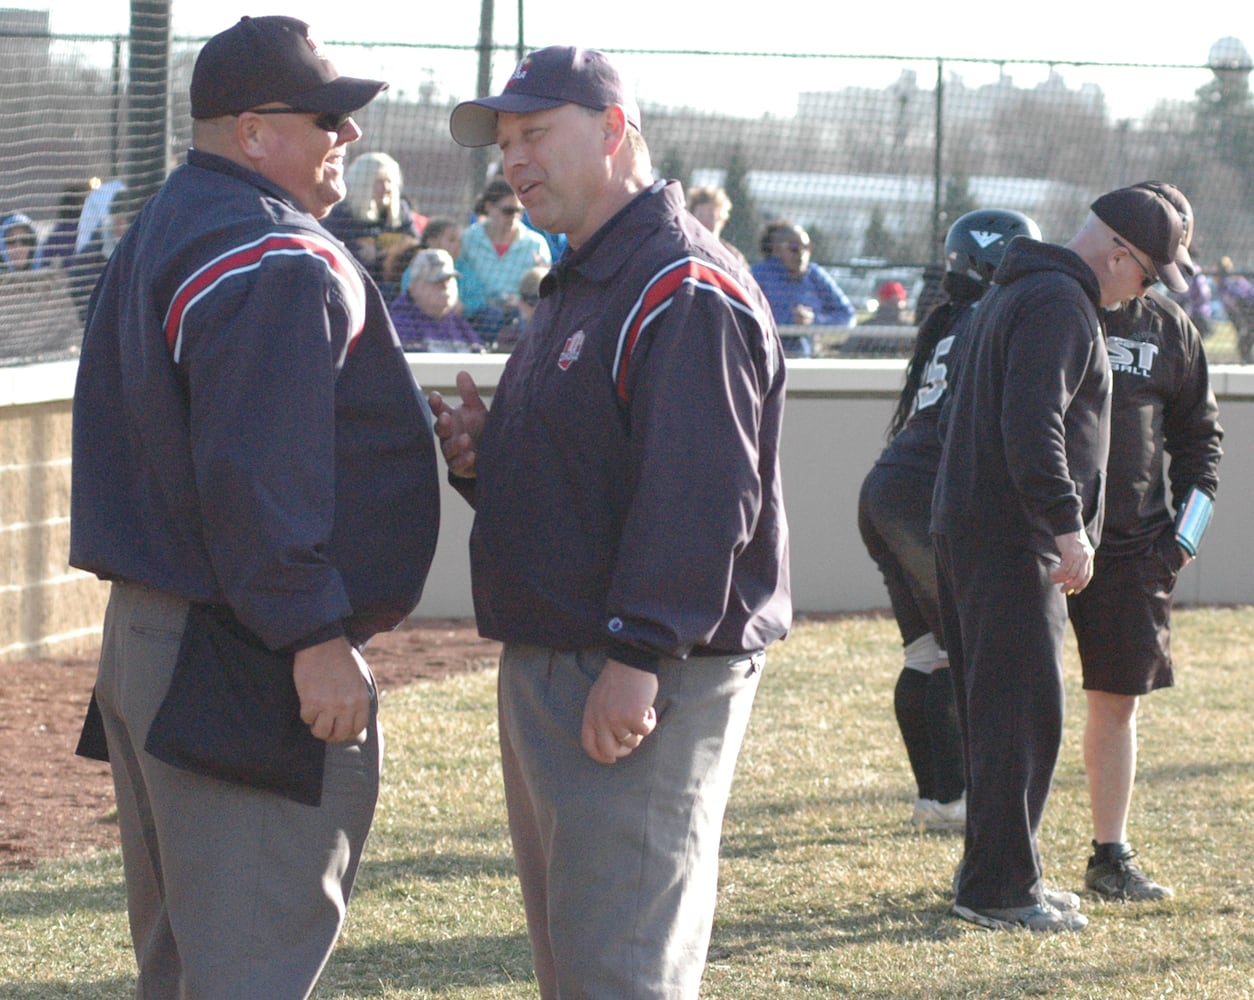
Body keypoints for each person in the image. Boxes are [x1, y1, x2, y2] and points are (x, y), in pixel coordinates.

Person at [68, 16, 441, 997]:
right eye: (330, 117)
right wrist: (313, 631)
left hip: (159, 637)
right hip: (240, 650)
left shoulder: (164, 226)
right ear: (255, 130)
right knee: (247, 968)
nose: (348, 137)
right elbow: (254, 473)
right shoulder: (271, 251)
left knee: (190, 967)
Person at [438, 45, 791, 999]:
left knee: (621, 970)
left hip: (640, 672)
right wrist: (485, 457)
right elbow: (598, 469)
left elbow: (705, 494)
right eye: (506, 141)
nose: (514, 159)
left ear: (614, 130)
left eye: (536, 134)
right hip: (565, 657)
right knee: (581, 963)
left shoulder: (681, 282)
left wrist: (639, 654)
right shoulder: (586, 275)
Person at [932, 184, 1191, 933]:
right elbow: (1032, 422)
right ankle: (1001, 890)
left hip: (980, 526)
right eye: (1146, 275)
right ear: (1118, 254)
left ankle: (999, 873)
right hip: (1013, 537)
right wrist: (1068, 526)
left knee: (1001, 711)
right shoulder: (1058, 303)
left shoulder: (1018, 292)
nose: (1142, 292)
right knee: (1021, 712)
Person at [857, 209, 1041, 834]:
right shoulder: (1001, 318)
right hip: (925, 496)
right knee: (977, 656)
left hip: (887, 486)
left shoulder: (947, 322)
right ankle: (978, 805)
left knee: (928, 652)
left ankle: (941, 800)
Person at [1070, 182, 1222, 903]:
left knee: (1117, 702)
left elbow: (1203, 449)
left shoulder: (1169, 328)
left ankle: (1110, 855)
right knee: (1016, 701)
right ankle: (1004, 854)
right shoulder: (1052, 309)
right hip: (1042, 544)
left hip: (1134, 552)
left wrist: (1181, 544)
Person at [456, 176, 551, 336]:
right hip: (475, 318)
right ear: (489, 207)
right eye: (508, 211)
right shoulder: (468, 239)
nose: (514, 217)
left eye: (519, 212)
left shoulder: (535, 243)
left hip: (520, 321)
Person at [322, 149, 423, 296]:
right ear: (363, 184)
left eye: (390, 182)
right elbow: (329, 248)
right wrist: (356, 250)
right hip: (353, 287)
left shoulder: (401, 212)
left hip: (395, 291)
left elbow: (415, 247)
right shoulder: (342, 213)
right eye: (380, 182)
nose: (387, 188)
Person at [750, 219, 855, 357]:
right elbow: (746, 317)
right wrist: (789, 321)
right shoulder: (758, 275)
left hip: (807, 360)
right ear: (776, 250)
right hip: (767, 359)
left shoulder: (815, 275)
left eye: (807, 247)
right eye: (794, 248)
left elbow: (846, 314)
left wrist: (813, 321)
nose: (802, 253)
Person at [0, 211, 82, 358]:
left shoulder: (52, 285)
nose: (18, 248)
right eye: (11, 242)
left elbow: (72, 334)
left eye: (25, 241)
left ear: (34, 245)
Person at [389, 247, 484, 352]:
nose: (445, 286)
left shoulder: (459, 325)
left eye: (449, 279)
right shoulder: (399, 326)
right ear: (414, 287)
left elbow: (480, 356)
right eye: (437, 280)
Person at [687, 183, 747, 264]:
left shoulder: (733, 257)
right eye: (701, 214)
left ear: (723, 220)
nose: (706, 221)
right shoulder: (682, 250)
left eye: (712, 215)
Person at [492, 263, 547, 352]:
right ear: (521, 302)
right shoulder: (511, 333)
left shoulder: (557, 331)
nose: (536, 307)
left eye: (537, 300)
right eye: (531, 301)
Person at [1214, 255, 1254, 363]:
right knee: (1244, 342)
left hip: (1249, 312)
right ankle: (1247, 361)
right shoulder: (1223, 285)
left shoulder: (1230, 284)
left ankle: (1248, 362)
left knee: (1245, 340)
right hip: (1244, 315)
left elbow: (1244, 300)